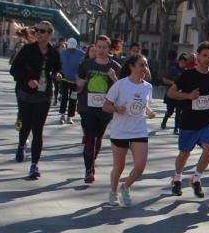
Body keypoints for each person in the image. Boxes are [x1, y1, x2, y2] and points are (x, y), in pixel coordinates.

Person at [9, 21, 62, 179]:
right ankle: (20, 145)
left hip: (43, 95)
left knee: (37, 130)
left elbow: (58, 68)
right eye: (36, 30)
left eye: (42, 31)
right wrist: (28, 80)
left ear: (50, 34)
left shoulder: (53, 53)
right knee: (24, 125)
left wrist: (58, 74)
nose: (38, 33)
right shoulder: (27, 49)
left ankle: (34, 165)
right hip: (25, 93)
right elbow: (14, 70)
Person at [167, 41, 209, 198]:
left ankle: (196, 179)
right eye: (205, 55)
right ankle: (177, 178)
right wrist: (189, 96)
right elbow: (171, 92)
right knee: (185, 153)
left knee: (208, 150)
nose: (208, 59)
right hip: (189, 120)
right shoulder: (188, 74)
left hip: (207, 120)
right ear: (198, 56)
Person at [104, 54, 154, 207]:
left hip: (139, 130)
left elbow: (143, 105)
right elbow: (106, 106)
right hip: (120, 130)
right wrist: (116, 108)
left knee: (140, 166)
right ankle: (113, 192)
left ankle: (125, 187)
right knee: (119, 166)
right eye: (141, 65)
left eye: (145, 65)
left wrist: (149, 111)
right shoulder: (120, 85)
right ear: (132, 67)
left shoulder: (148, 87)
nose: (144, 68)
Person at [76, 35, 120, 184]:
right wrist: (80, 83)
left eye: (104, 47)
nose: (101, 50)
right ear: (94, 47)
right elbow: (79, 82)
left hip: (105, 108)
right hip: (87, 107)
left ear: (109, 49)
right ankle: (88, 170)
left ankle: (92, 161)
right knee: (89, 137)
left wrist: (114, 78)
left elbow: (122, 89)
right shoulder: (86, 64)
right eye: (99, 47)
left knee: (98, 137)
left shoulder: (115, 67)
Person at [58, 38, 83, 124]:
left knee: (73, 99)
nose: (71, 50)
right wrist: (58, 72)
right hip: (64, 78)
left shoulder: (81, 54)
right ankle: (62, 115)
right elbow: (59, 63)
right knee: (64, 97)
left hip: (75, 81)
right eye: (69, 48)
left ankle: (70, 116)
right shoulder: (63, 52)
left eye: (73, 48)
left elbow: (84, 64)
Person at [160, 53, 187, 133]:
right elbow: (164, 79)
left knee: (179, 112)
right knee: (170, 111)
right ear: (178, 61)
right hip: (171, 95)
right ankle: (165, 120)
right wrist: (174, 83)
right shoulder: (173, 69)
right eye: (181, 62)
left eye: (184, 62)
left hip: (180, 95)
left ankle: (176, 128)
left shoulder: (186, 72)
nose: (182, 64)